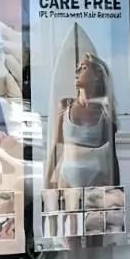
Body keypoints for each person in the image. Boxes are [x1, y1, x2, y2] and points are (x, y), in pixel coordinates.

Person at [46, 53, 120, 189]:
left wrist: (115, 191)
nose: (77, 71)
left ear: (97, 76)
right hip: (66, 177)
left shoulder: (105, 114)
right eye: (77, 67)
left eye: (84, 68)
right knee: (67, 209)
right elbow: (57, 147)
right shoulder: (65, 106)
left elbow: (112, 158)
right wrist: (46, 187)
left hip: (96, 179)